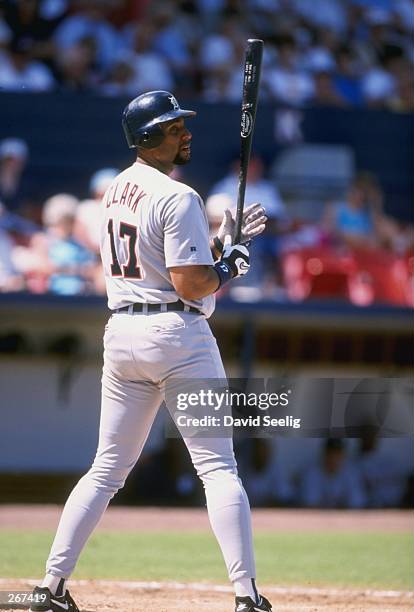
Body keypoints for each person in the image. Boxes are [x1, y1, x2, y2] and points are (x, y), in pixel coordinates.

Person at [29, 90, 271, 612]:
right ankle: (246, 596)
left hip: (122, 335)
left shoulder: (115, 188)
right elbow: (191, 283)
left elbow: (159, 252)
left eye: (183, 124)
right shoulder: (179, 195)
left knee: (106, 470)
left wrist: (220, 243)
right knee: (218, 469)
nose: (184, 132)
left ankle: (50, 585)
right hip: (177, 336)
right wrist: (231, 265)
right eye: (172, 127)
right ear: (147, 138)